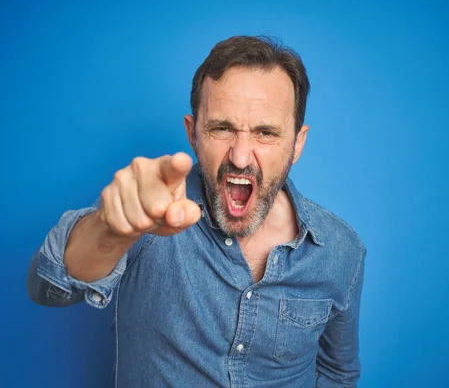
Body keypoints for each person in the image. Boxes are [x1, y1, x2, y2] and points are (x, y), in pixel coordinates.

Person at [26, 35, 367, 387]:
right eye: (222, 128)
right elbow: (46, 288)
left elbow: (337, 372)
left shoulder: (341, 252)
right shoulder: (151, 209)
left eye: (266, 133)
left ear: (297, 144)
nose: (240, 156)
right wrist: (109, 231)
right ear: (193, 133)